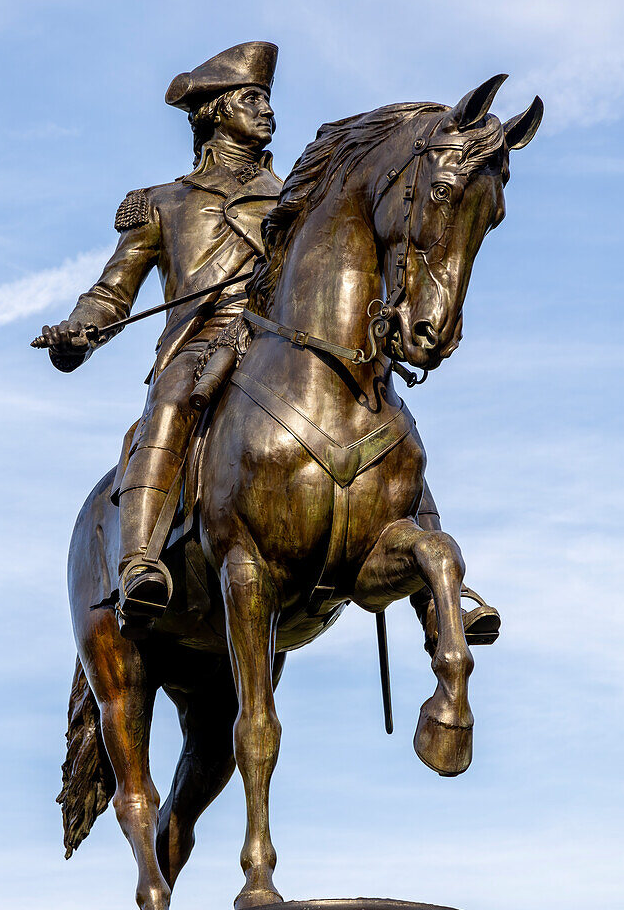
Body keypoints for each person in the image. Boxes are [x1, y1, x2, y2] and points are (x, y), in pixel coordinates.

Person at [41, 40, 499, 649]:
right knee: (174, 397)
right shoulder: (164, 203)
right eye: (250, 98)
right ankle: (140, 558)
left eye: (265, 98)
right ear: (214, 112)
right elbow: (111, 290)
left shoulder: (295, 195)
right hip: (203, 342)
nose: (265, 109)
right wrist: (80, 328)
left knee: (383, 408)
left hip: (278, 336)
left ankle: (441, 603)